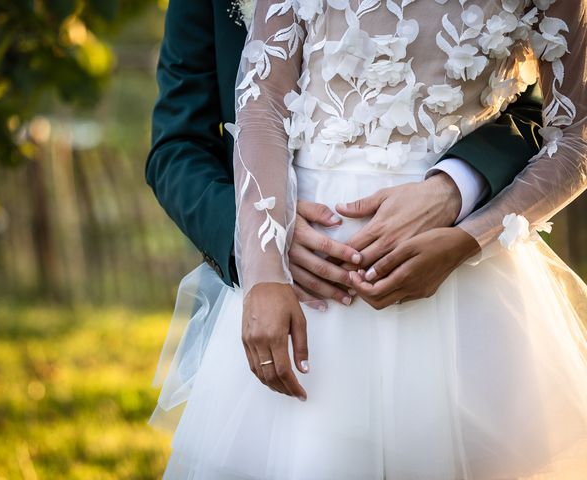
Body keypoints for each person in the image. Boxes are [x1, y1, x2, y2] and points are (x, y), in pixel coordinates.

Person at [151, 1, 587, 479]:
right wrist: (263, 255)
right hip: (307, 295)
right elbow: (228, 120)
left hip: (462, 278)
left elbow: (555, 121)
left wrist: (467, 231)